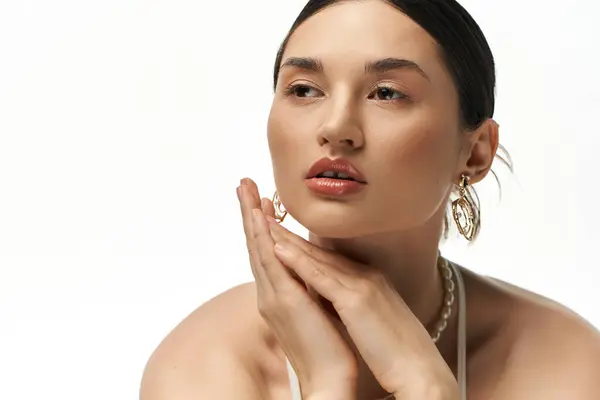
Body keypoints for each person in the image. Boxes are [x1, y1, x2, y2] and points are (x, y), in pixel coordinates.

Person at [139, 1, 600, 399]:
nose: (336, 126)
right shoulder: (205, 364)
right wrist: (327, 384)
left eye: (386, 93)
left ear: (476, 150)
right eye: (304, 90)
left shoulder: (562, 362)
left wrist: (426, 386)